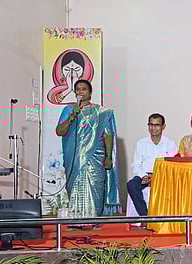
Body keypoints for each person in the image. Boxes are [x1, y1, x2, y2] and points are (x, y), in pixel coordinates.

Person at [55, 79, 119, 222]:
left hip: (96, 156)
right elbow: (59, 131)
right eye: (78, 89)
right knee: (75, 187)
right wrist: (72, 117)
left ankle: (94, 220)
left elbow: (108, 134)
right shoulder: (69, 110)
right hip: (74, 157)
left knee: (95, 186)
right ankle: (75, 221)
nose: (80, 91)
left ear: (90, 93)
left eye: (84, 89)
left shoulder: (101, 112)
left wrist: (108, 156)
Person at [127, 113, 177, 217]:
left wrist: (156, 177)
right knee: (131, 185)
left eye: (157, 125)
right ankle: (145, 217)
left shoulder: (170, 144)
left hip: (163, 177)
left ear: (163, 126)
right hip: (144, 175)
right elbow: (136, 165)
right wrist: (144, 176)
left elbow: (172, 165)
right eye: (151, 125)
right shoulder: (141, 143)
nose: (153, 128)